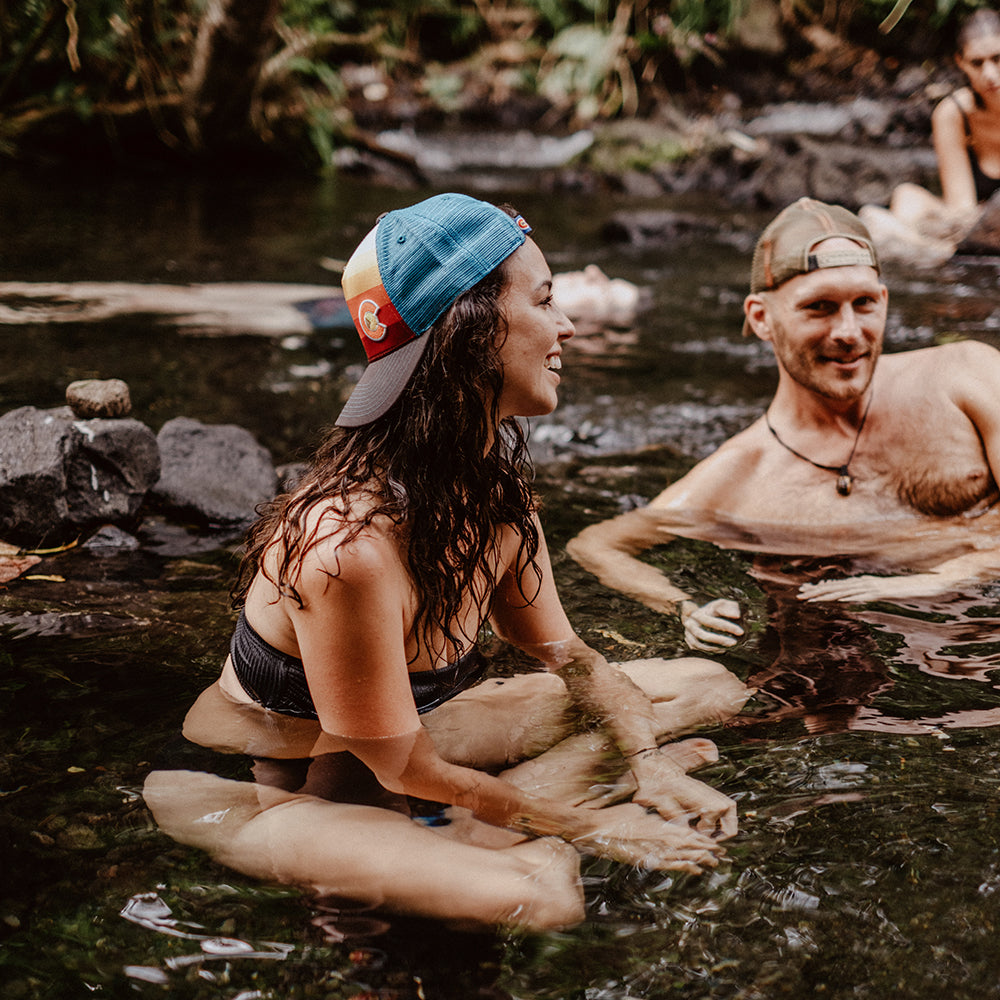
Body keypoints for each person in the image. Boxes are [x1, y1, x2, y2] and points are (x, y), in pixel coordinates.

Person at [142, 193, 748, 932]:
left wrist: (649, 762)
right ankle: (509, 836)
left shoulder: (496, 500)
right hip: (273, 792)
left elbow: (573, 659)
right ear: (470, 331)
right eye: (547, 301)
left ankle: (486, 830)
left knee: (707, 687)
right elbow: (407, 770)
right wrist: (588, 830)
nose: (567, 326)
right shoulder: (346, 549)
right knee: (542, 897)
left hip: (397, 757)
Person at [567, 196, 1000, 653]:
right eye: (820, 307)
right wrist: (682, 606)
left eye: (865, 303)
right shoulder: (740, 476)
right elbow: (596, 545)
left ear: (884, 299)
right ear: (761, 318)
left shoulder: (966, 375)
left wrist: (941, 579)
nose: (850, 332)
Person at [861, 8, 1000, 259]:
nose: (989, 74)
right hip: (978, 224)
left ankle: (933, 253)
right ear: (961, 63)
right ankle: (939, 254)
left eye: (998, 59)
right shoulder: (953, 113)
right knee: (906, 197)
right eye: (977, 63)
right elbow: (962, 211)